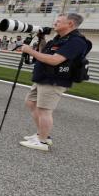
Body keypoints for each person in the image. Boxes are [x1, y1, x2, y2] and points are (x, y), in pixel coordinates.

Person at [19, 13, 90, 151]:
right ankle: (41, 134)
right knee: (31, 103)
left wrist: (29, 51)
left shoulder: (76, 41)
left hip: (55, 80)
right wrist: (41, 39)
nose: (54, 23)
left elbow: (54, 60)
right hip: (43, 77)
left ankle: (43, 142)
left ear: (70, 24)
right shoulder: (59, 38)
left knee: (44, 110)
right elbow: (44, 53)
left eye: (58, 21)